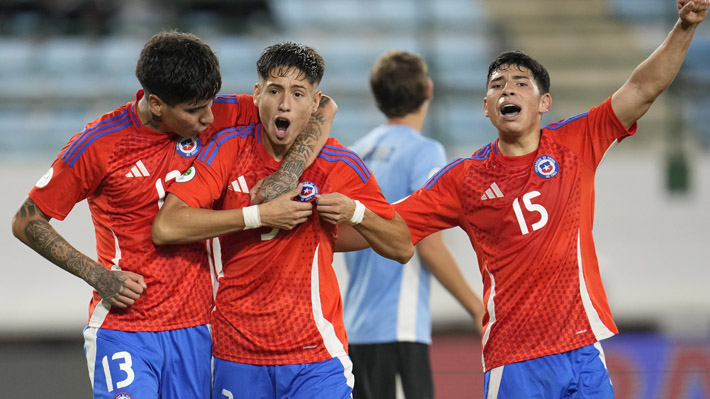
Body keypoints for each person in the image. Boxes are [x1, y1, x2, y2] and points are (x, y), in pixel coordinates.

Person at [391, 1, 709, 397]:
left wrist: (684, 26)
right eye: (497, 84)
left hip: (582, 351)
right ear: (486, 107)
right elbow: (388, 225)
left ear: (544, 103)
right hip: (515, 359)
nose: (507, 87)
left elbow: (643, 89)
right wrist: (333, 217)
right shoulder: (463, 179)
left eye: (521, 82)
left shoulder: (574, 143)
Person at [11, 31, 332, 399]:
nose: (209, 118)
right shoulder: (100, 145)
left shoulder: (219, 112)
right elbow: (26, 220)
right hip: (126, 327)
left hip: (196, 331)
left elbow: (324, 108)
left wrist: (286, 174)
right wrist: (97, 274)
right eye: (195, 111)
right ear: (157, 104)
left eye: (210, 104)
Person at [151, 41, 414, 398]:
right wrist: (256, 215)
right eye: (275, 90)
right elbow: (167, 226)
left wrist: (355, 212)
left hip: (315, 356)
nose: (285, 104)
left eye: (298, 93)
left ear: (315, 102)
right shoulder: (228, 147)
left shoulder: (339, 162)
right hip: (236, 353)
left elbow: (401, 245)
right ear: (257, 94)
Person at [341, 49, 484, 399]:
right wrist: (479, 310)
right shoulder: (425, 151)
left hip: (355, 327)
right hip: (399, 325)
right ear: (429, 91)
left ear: (378, 98)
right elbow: (429, 244)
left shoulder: (353, 152)